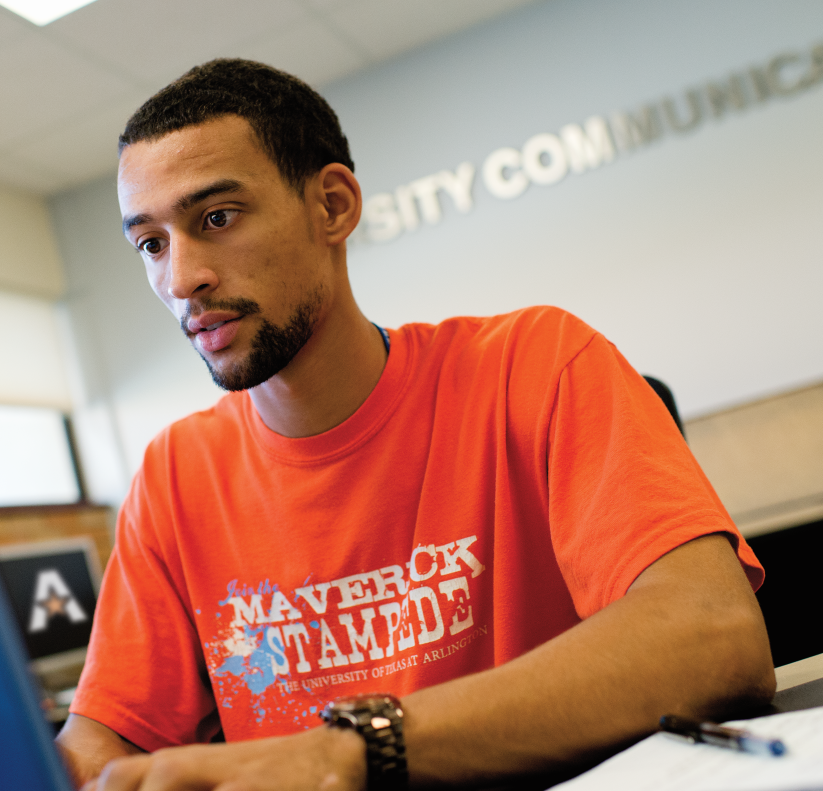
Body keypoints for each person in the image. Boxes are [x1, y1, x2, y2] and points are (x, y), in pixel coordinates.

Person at [55, 59, 774, 790]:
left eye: (216, 219)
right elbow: (108, 735)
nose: (182, 280)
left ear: (332, 206)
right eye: (152, 243)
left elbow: (713, 637)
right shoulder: (175, 473)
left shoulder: (537, 364)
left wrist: (346, 750)